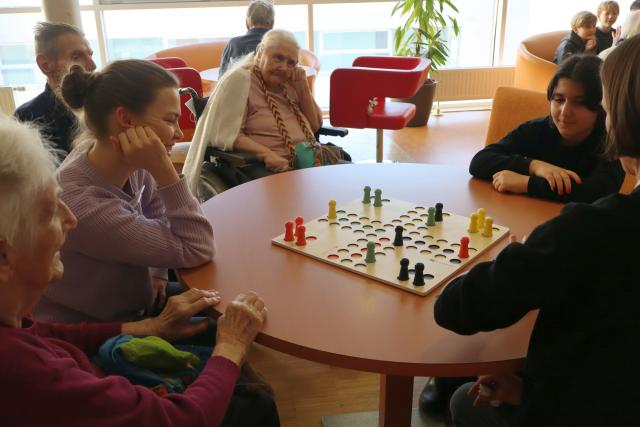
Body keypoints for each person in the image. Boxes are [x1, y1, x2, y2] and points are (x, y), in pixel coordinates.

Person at [0, 114, 273, 427]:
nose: (70, 220)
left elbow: (45, 333)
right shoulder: (20, 369)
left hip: (116, 330)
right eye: (48, 213)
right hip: (116, 366)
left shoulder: (14, 324)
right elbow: (181, 419)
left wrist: (151, 326)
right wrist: (232, 347)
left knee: (209, 324)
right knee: (254, 402)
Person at [437, 34, 640, 427]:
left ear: (615, 117)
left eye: (599, 105)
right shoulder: (540, 134)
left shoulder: (588, 229)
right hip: (605, 394)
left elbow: (456, 307)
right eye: (559, 99)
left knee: (466, 402)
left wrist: (532, 247)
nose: (566, 112)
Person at [33, 60, 215, 323]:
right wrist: (166, 172)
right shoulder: (82, 204)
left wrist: (158, 272)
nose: (177, 133)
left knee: (224, 303)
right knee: (227, 330)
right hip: (95, 333)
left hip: (134, 298)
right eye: (170, 120)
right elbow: (199, 245)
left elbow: (158, 212)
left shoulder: (125, 159)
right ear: (126, 119)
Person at [183, 29, 324, 193]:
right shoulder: (239, 80)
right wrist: (265, 153)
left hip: (307, 158)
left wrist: (303, 89)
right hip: (264, 166)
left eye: (291, 63)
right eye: (278, 58)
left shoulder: (291, 82)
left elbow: (314, 127)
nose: (284, 67)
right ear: (259, 52)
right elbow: (225, 134)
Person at [469, 54, 624, 203]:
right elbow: (480, 162)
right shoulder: (536, 129)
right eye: (559, 99)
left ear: (600, 106)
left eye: (579, 103)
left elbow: (598, 192)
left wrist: (527, 184)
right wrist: (534, 166)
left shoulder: (611, 142)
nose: (564, 112)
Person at [14, 21, 96, 159]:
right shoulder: (28, 119)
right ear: (45, 65)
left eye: (90, 55)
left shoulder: (103, 107)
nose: (92, 65)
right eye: (76, 57)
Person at [219, 0, 275, 77]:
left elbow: (222, 77)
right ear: (272, 24)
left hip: (238, 88)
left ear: (246, 23)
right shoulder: (279, 46)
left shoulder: (234, 44)